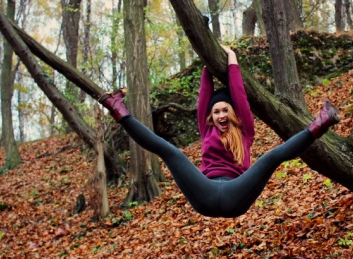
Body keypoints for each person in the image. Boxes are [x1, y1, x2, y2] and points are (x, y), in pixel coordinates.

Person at [97, 46, 340, 218]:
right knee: (170, 151)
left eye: (225, 110)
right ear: (210, 117)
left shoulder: (244, 129)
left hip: (237, 194)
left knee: (270, 158)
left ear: (233, 113)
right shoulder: (207, 130)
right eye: (216, 112)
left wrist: (232, 59)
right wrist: (207, 62)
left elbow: (239, 94)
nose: (221, 115)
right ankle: (119, 110)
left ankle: (321, 123)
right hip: (204, 193)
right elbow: (205, 93)